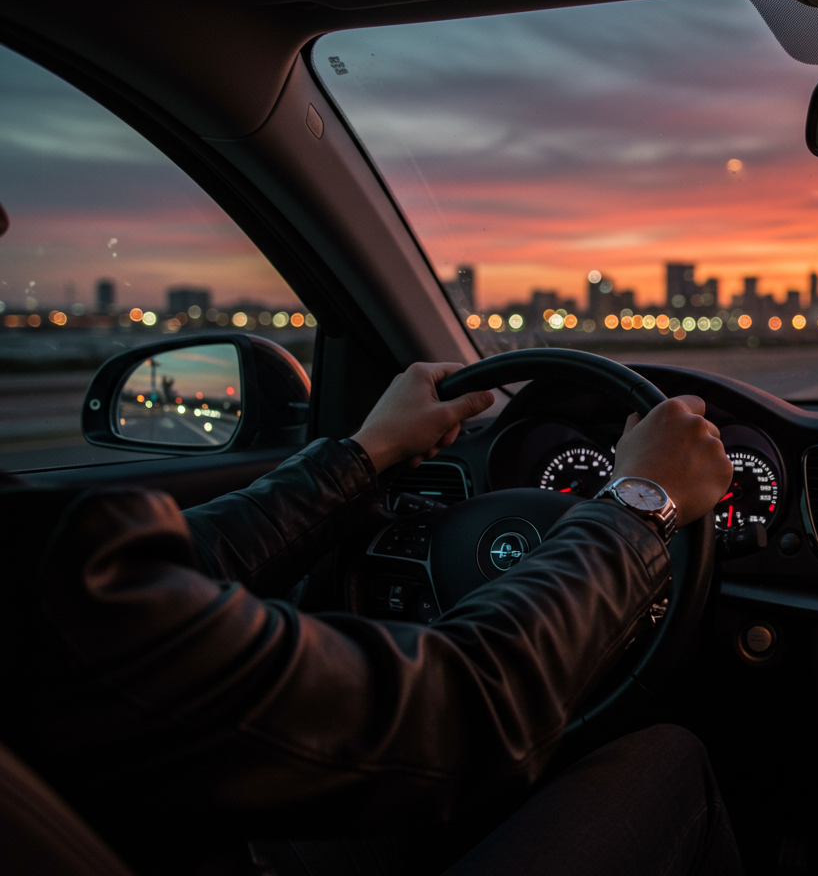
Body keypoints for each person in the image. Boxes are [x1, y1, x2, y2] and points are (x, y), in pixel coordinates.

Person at [0, 362, 739, 876]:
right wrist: (639, 502)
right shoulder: (49, 593)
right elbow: (458, 711)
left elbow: (178, 562)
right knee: (670, 761)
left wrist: (368, 451)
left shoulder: (47, 564)